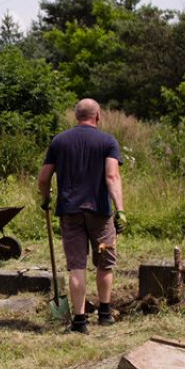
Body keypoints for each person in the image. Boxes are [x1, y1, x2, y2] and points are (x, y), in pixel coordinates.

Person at [37, 98, 126, 334]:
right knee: (105, 264)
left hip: (70, 212)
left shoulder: (60, 141)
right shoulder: (108, 141)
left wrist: (45, 199)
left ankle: (79, 322)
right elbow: (112, 177)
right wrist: (121, 210)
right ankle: (105, 314)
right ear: (98, 116)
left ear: (76, 116)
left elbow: (44, 178)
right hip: (100, 213)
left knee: (77, 267)